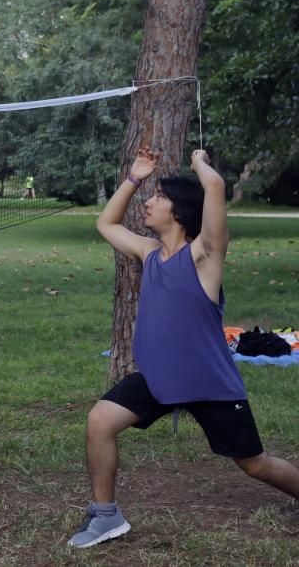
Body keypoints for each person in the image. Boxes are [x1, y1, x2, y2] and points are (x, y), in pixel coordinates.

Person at [69, 147, 299, 548]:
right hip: (158, 381)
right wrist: (134, 177)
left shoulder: (204, 258)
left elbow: (214, 186)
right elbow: (105, 223)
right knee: (99, 422)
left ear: (178, 212)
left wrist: (200, 164)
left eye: (158, 197)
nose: (149, 202)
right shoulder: (150, 254)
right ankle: (106, 516)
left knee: (255, 464)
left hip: (209, 385)